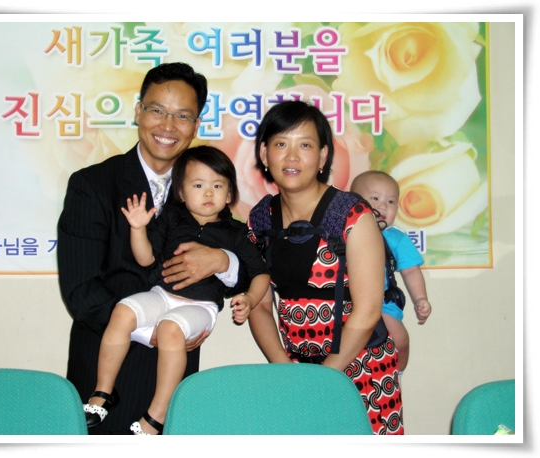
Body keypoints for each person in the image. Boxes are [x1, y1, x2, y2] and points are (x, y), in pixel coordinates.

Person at [57, 62, 245, 435]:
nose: (168, 125)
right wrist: (150, 330)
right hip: (105, 372)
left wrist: (223, 261)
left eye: (182, 116)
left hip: (173, 380)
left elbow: (234, 277)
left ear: (196, 124)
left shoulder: (207, 190)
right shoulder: (92, 185)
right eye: (157, 110)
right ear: (139, 111)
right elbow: (81, 291)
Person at [83, 146, 270, 435]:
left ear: (229, 194)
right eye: (198, 185)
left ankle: (157, 415)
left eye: (217, 185)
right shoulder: (170, 218)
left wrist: (250, 298)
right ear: (181, 192)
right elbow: (145, 258)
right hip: (161, 295)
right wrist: (138, 229)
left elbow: (260, 273)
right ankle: (103, 392)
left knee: (170, 328)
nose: (208, 193)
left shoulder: (235, 232)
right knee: (123, 311)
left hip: (201, 307)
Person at [247, 100, 404, 435]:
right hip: (295, 370)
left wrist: (324, 378)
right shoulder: (260, 218)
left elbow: (368, 311)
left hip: (362, 367)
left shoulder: (352, 214)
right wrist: (285, 369)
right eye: (280, 144)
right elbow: (259, 304)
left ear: (322, 157)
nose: (292, 157)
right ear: (264, 154)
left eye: (305, 145)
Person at [350, 170, 432, 374]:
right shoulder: (344, 232)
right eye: (375, 198)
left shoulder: (396, 238)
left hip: (383, 303)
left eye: (391, 201)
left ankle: (396, 374)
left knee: (399, 339)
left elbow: (411, 271)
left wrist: (420, 298)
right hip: (348, 301)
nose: (382, 206)